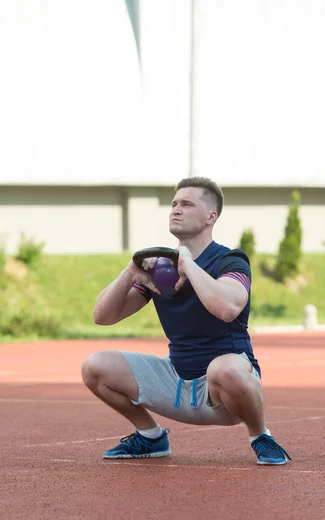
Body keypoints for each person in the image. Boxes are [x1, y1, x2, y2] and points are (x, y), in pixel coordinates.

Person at [81, 176, 291, 465]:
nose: (176, 209)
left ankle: (261, 436)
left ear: (210, 216)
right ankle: (151, 437)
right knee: (95, 366)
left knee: (226, 368)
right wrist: (131, 270)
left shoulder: (229, 260)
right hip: (176, 381)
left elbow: (228, 307)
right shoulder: (160, 267)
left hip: (224, 392)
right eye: (174, 203)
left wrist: (189, 265)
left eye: (187, 204)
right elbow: (103, 317)